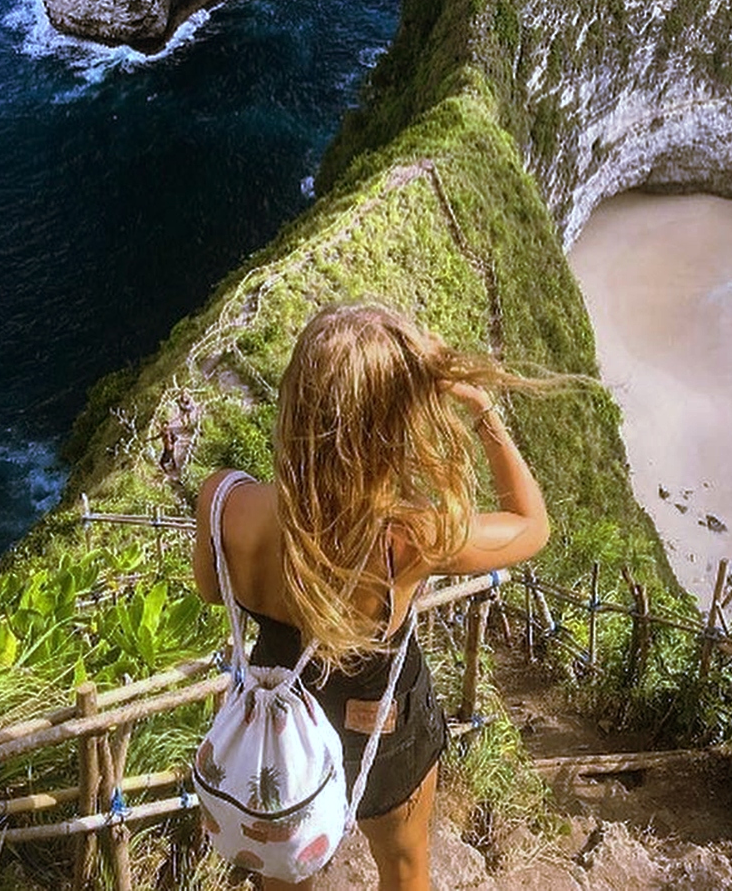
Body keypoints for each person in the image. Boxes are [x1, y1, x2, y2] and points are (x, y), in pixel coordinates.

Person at [193, 301, 550, 891]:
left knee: (285, 874)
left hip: (278, 732)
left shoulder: (223, 502)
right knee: (405, 865)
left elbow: (213, 591)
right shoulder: (406, 538)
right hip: (383, 726)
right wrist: (482, 409)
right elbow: (529, 524)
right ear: (396, 420)